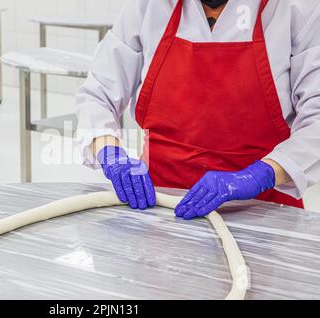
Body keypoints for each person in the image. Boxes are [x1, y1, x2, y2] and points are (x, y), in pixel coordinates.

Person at [75, 0, 320, 219]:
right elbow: (98, 94)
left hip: (264, 212)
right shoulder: (149, 5)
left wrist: (260, 175)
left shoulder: (295, 7)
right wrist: (110, 154)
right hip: (160, 209)